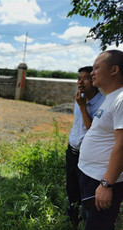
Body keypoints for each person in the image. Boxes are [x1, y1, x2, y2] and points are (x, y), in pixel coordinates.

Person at [78, 50, 123, 230]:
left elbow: (122, 145)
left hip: (101, 179)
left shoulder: (121, 99)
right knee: (92, 222)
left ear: (114, 70)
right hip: (89, 175)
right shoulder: (110, 97)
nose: (92, 73)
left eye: (96, 68)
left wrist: (106, 184)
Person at [66, 66, 105, 227]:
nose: (80, 81)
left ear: (94, 81)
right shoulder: (79, 98)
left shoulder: (102, 104)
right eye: (79, 78)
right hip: (72, 152)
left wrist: (83, 107)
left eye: (86, 78)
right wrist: (70, 143)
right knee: (71, 188)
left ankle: (87, 221)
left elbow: (92, 131)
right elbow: (77, 124)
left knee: (86, 192)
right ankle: (73, 219)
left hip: (87, 155)